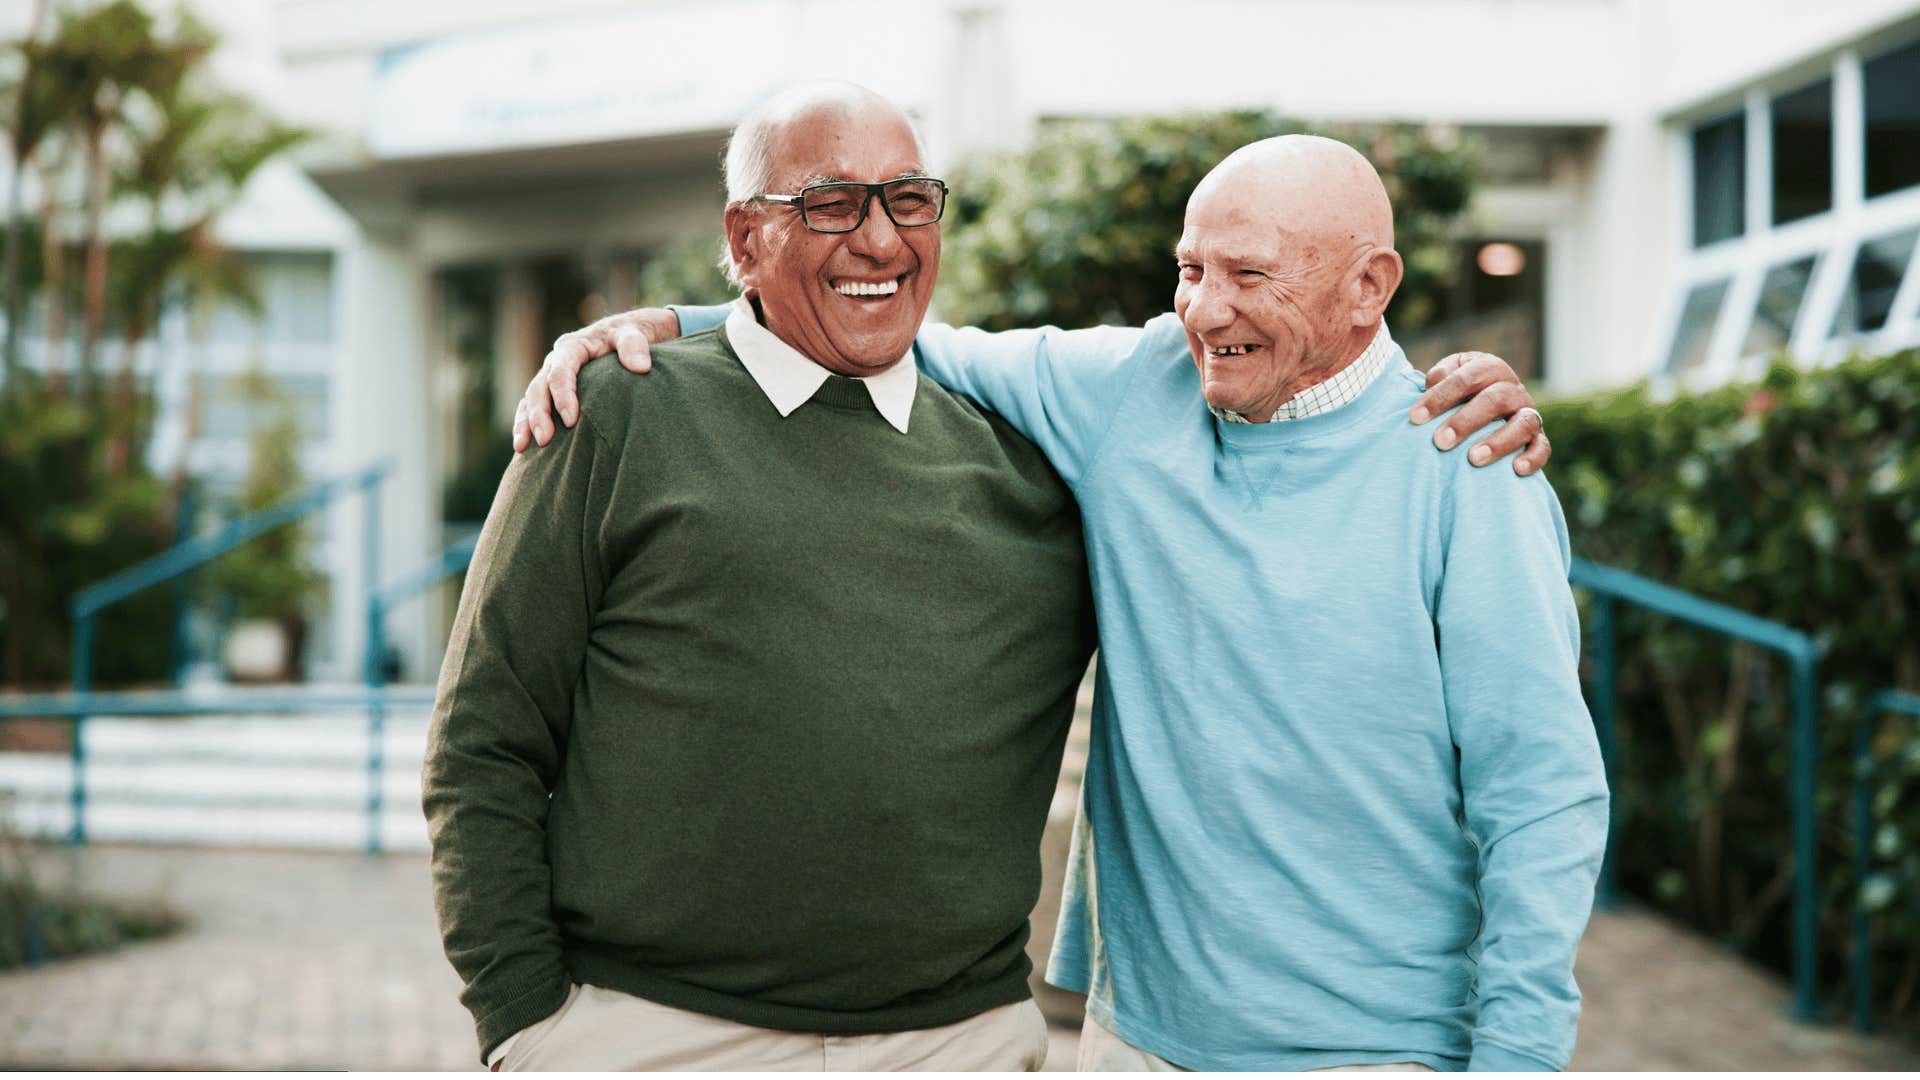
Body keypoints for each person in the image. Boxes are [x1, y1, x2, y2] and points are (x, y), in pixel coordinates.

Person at [527, 119, 1606, 1070]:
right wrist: (674, 322)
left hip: (1377, 1051)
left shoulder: (1466, 469)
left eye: (1249, 275)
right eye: (1190, 269)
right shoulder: (1138, 388)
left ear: (1369, 286)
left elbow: (1542, 798)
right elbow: (876, 330)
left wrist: (1514, 1060)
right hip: (1132, 1042)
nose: (1204, 309)